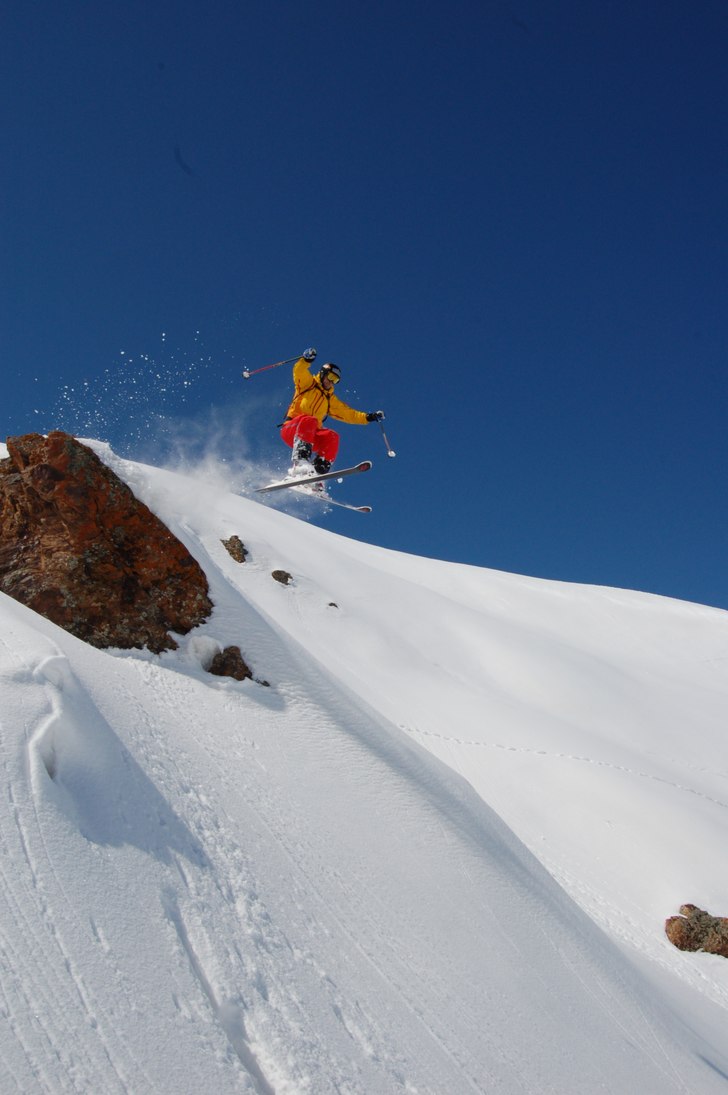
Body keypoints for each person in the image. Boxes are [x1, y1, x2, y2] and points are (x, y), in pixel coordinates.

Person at [280, 348, 384, 475]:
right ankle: (300, 465)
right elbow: (299, 371)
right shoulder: (308, 384)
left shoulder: (329, 399)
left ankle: (316, 473)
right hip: (292, 429)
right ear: (323, 374)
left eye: (335, 380)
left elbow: (348, 414)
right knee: (310, 420)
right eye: (330, 377)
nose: (331, 382)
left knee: (332, 436)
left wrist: (368, 417)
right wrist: (306, 360)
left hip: (310, 436)